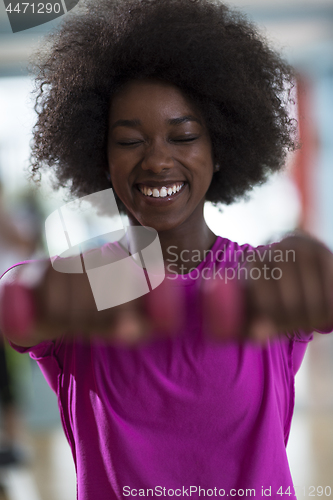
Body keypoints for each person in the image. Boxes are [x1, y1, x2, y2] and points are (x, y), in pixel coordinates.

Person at [0, 0, 333, 498]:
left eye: (183, 136)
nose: (158, 160)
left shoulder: (262, 277)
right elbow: (17, 306)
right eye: (130, 141)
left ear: (218, 149)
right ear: (101, 157)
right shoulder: (79, 291)